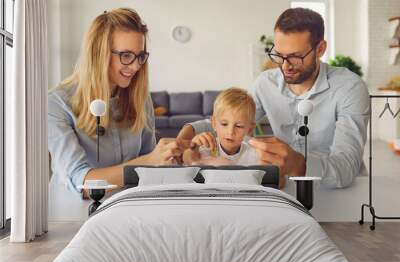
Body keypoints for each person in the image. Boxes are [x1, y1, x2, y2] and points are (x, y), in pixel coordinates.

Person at [178, 8, 369, 189]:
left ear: (320, 49)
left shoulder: (349, 87)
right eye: (279, 55)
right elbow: (235, 118)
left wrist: (299, 165)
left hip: (341, 193)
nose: (285, 66)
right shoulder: (265, 83)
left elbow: (347, 166)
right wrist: (191, 129)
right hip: (285, 190)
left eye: (295, 57)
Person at [48, 8, 189, 197]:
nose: (136, 66)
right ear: (99, 54)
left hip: (127, 206)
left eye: (140, 56)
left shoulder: (140, 98)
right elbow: (83, 183)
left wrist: (175, 159)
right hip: (72, 213)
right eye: (126, 56)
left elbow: (150, 166)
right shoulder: (56, 103)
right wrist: (149, 161)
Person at [183, 88, 258, 166]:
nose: (230, 132)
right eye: (224, 124)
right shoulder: (206, 148)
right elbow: (188, 160)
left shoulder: (253, 153)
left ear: (250, 129)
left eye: (239, 126)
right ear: (214, 124)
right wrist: (193, 147)